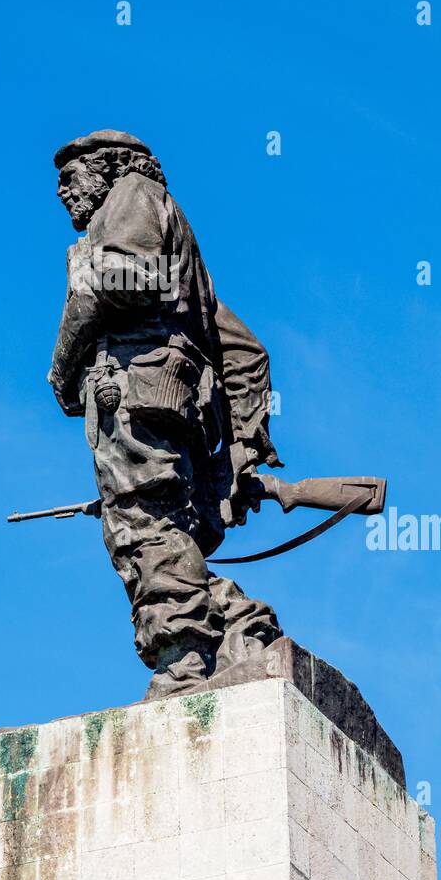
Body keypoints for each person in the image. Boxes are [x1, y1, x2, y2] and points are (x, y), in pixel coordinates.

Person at [47, 130, 283, 699]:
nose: (61, 192)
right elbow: (246, 353)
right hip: (180, 411)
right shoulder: (188, 270)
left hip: (133, 395)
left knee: (141, 529)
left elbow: (120, 277)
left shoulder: (129, 195)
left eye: (70, 176)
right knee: (167, 531)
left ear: (107, 168)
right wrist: (246, 448)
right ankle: (237, 626)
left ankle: (182, 664)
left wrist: (63, 363)